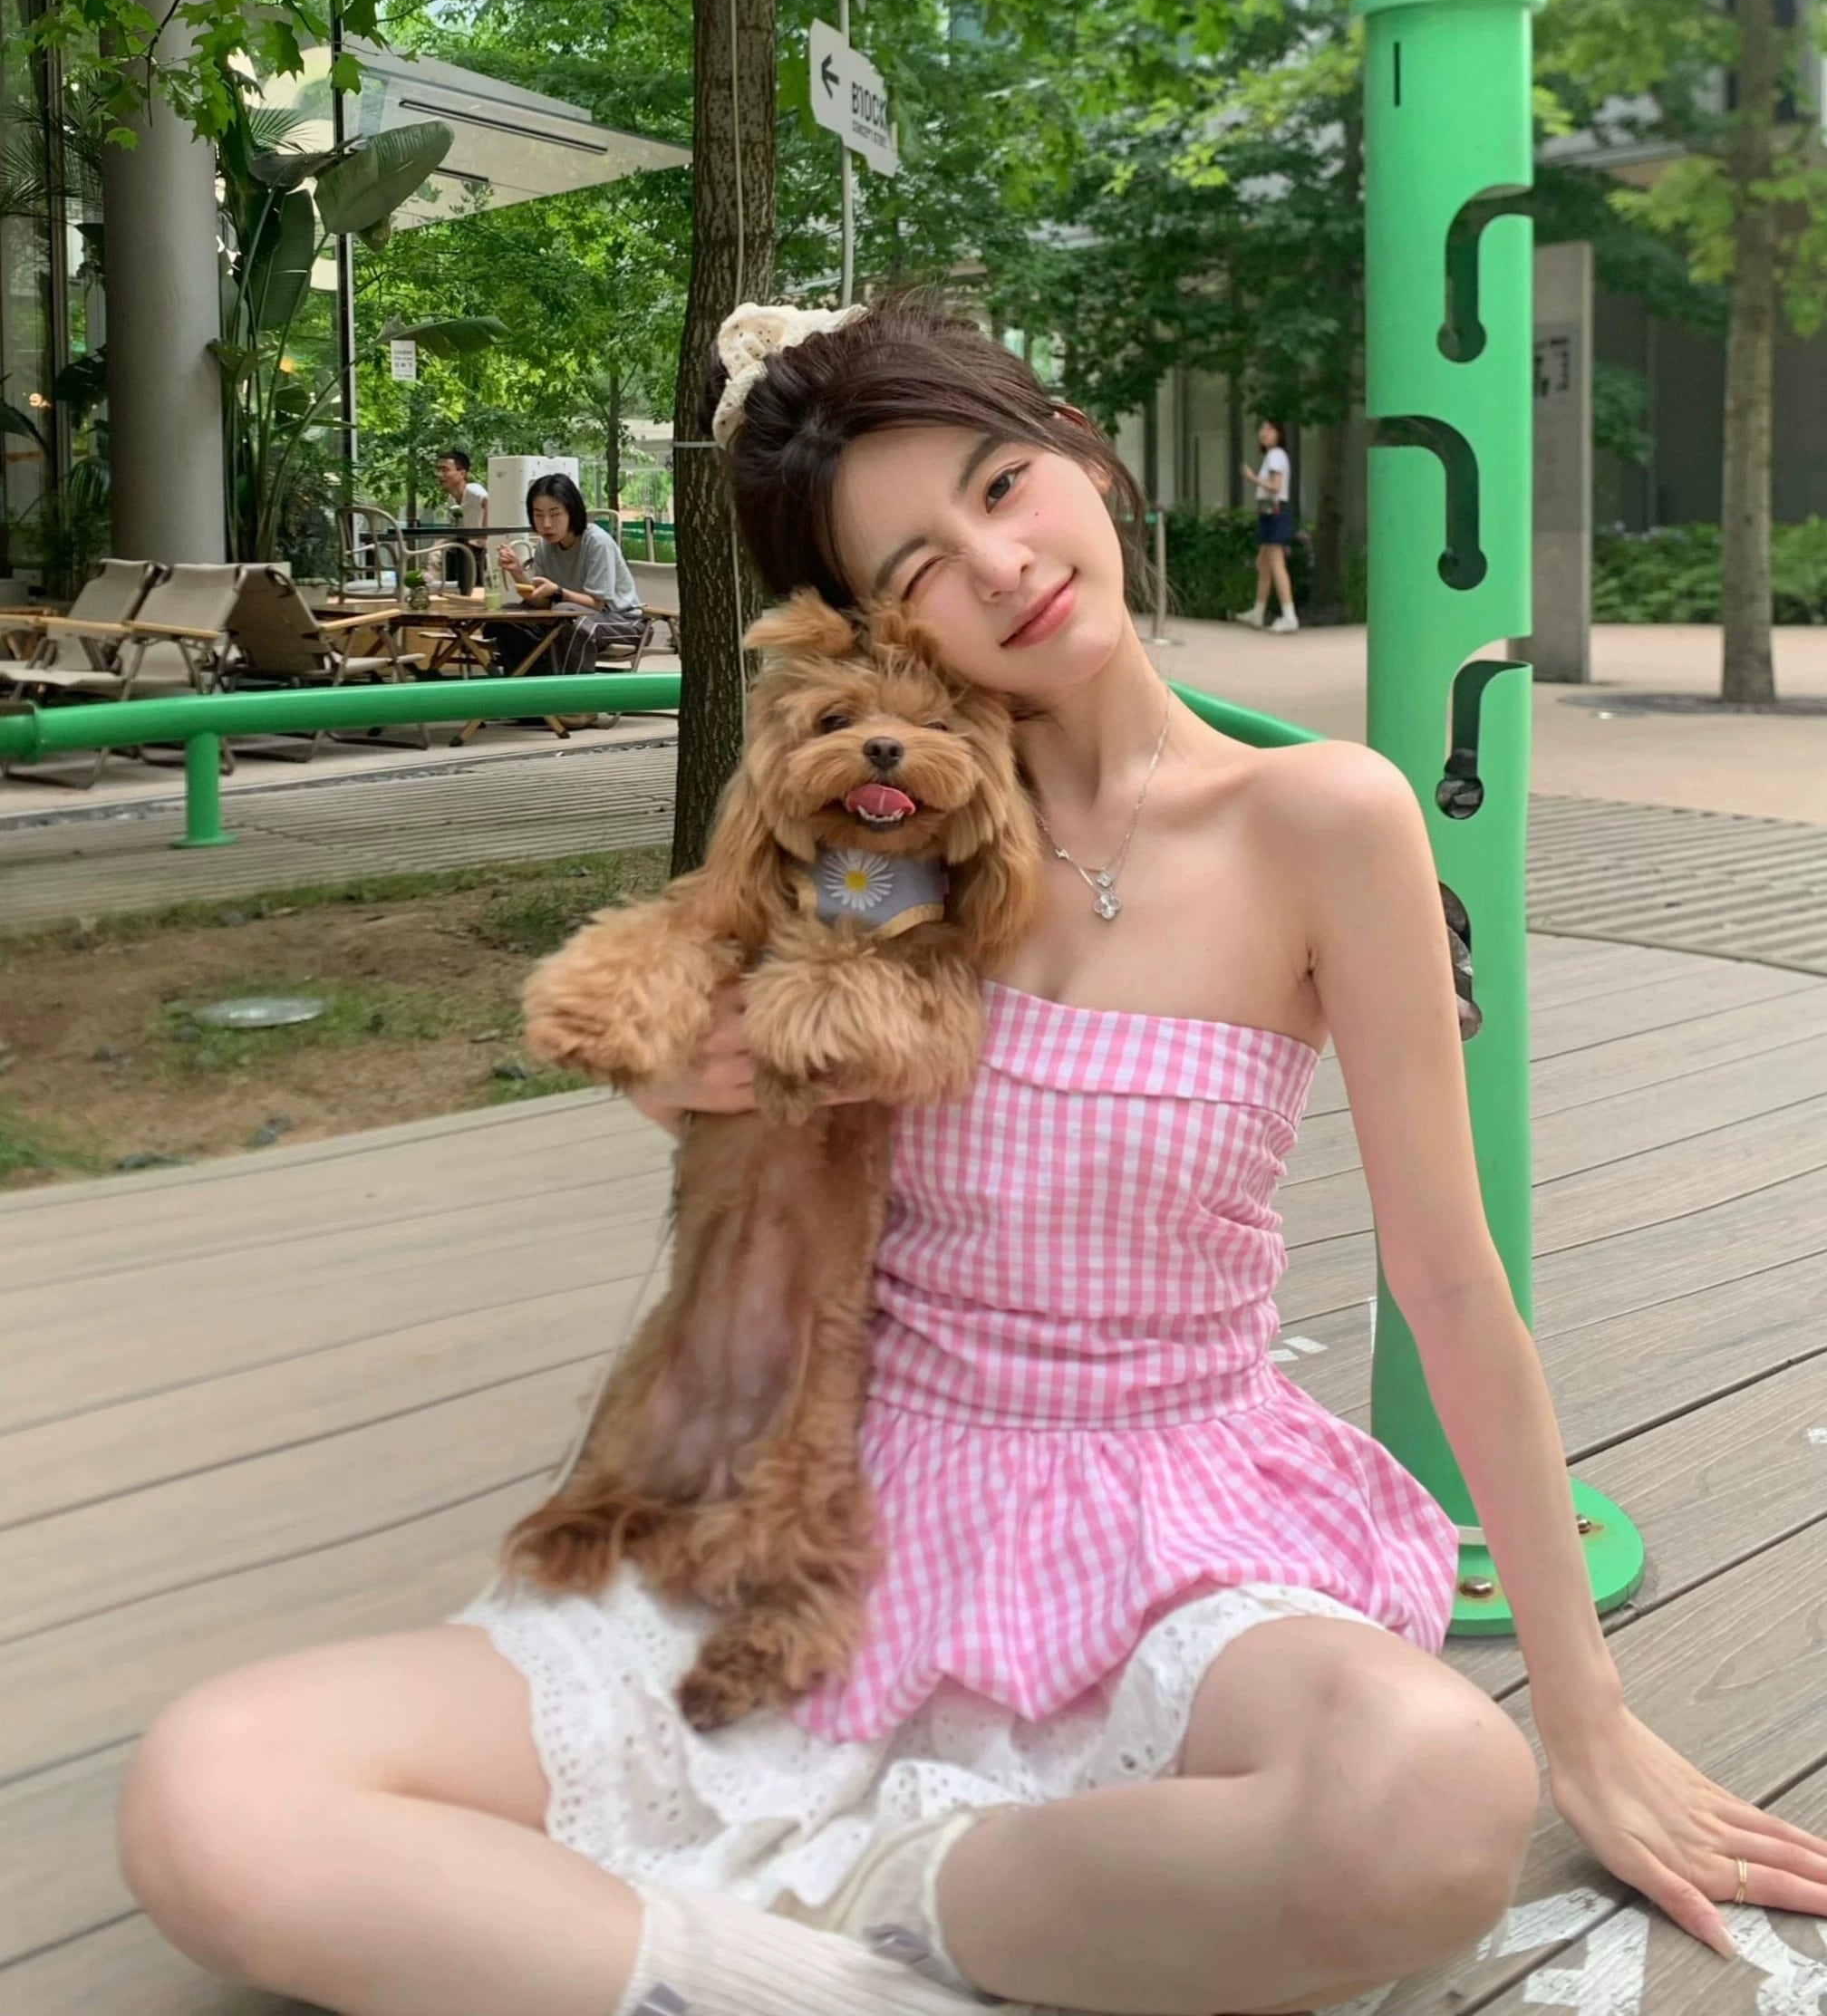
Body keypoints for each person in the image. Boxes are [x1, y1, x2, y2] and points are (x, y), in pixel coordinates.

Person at [118, 298, 1827, 2016]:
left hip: (1170, 1522)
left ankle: (868, 1892)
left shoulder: (1323, 821)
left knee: (1433, 1797)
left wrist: (1586, 1712)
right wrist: (684, 1076)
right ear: (869, 623)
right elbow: (721, 1040)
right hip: (841, 1500)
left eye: (1004, 486)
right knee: (219, 1793)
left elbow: (1451, 1286)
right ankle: (819, 1982)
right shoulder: (882, 826)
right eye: (920, 564)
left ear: (1081, 452)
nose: (1002, 566)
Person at [493, 472, 644, 682]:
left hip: (620, 620)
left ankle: (573, 698)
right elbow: (542, 603)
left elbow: (596, 604)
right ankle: (529, 691)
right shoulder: (545, 547)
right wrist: (517, 571)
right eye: (538, 515)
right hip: (566, 615)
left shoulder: (597, 543)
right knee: (509, 618)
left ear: (572, 512)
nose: (546, 524)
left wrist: (558, 592)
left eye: (555, 514)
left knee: (573, 624)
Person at [1233, 420, 1298, 633]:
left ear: (1279, 433)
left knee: (1276, 564)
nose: (1264, 433)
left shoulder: (1276, 455)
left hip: (1274, 512)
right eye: (1262, 429)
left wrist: (1252, 477)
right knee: (1263, 563)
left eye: (1269, 429)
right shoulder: (1273, 456)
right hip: (1270, 512)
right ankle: (1259, 612)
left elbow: (1275, 486)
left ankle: (1289, 616)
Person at [434, 449, 489, 596]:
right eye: (438, 470)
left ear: (462, 473)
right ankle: (438, 592)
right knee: (435, 552)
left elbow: (489, 502)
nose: (440, 475)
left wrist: (483, 535)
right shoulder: (451, 499)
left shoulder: (473, 489)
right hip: (463, 544)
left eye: (445, 470)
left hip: (477, 548)